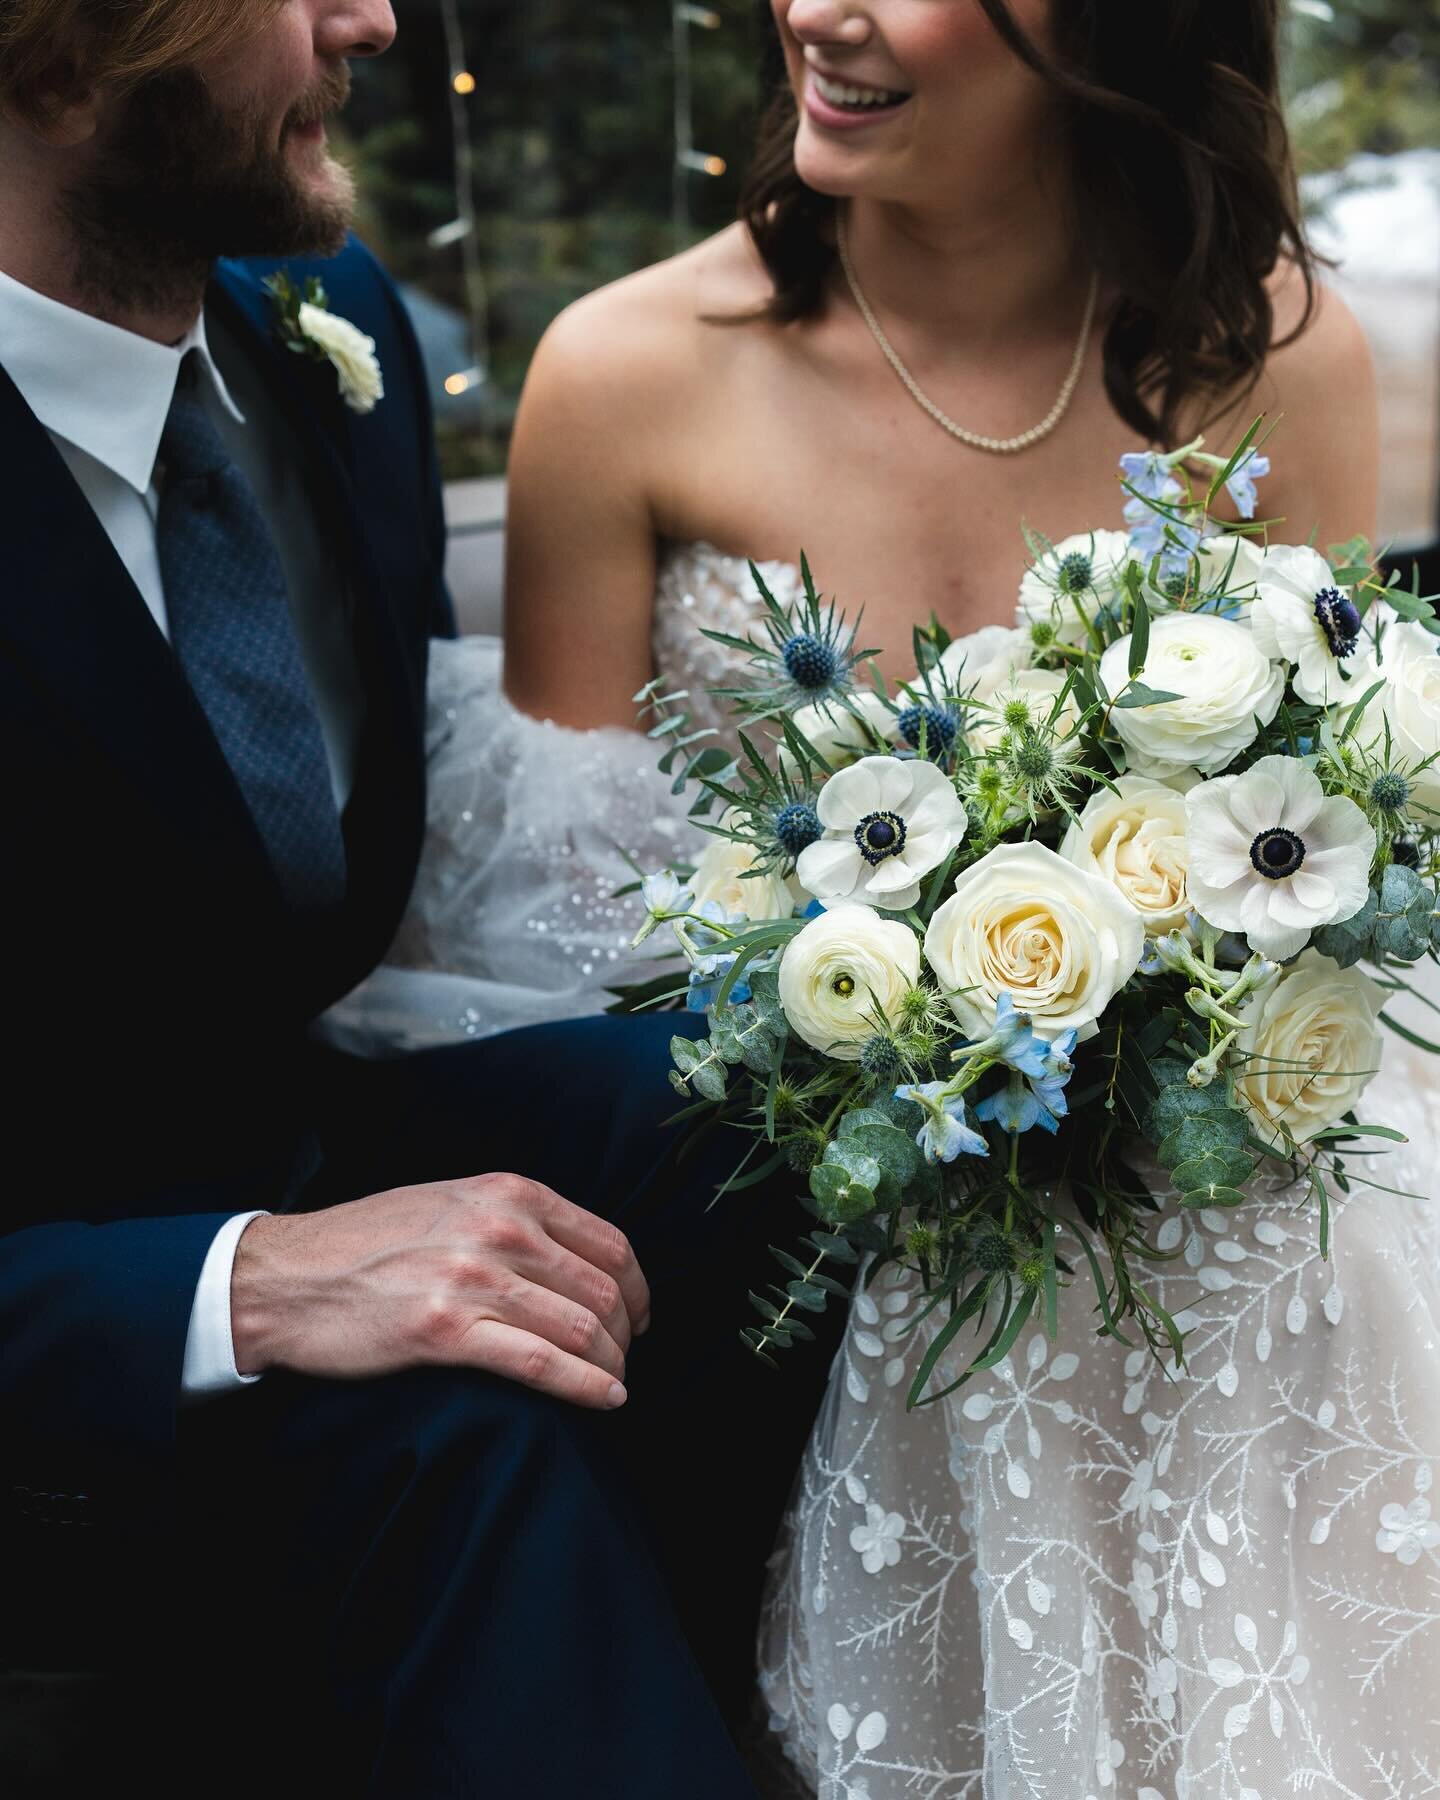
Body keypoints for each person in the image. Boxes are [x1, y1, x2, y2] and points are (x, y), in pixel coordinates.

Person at [366, 1, 1440, 1795]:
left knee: (1288, 1215)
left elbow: (1305, 846)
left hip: (1186, 1176)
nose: (813, 12)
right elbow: (558, 942)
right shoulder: (625, 369)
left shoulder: (1267, 352)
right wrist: (885, 1056)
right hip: (774, 1173)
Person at [0, 5, 840, 1796]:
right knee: (461, 1424)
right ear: (61, 67)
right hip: (58, 1336)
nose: (373, 19)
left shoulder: (330, 329)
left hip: (274, 1122)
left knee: (756, 1108)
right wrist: (239, 1285)